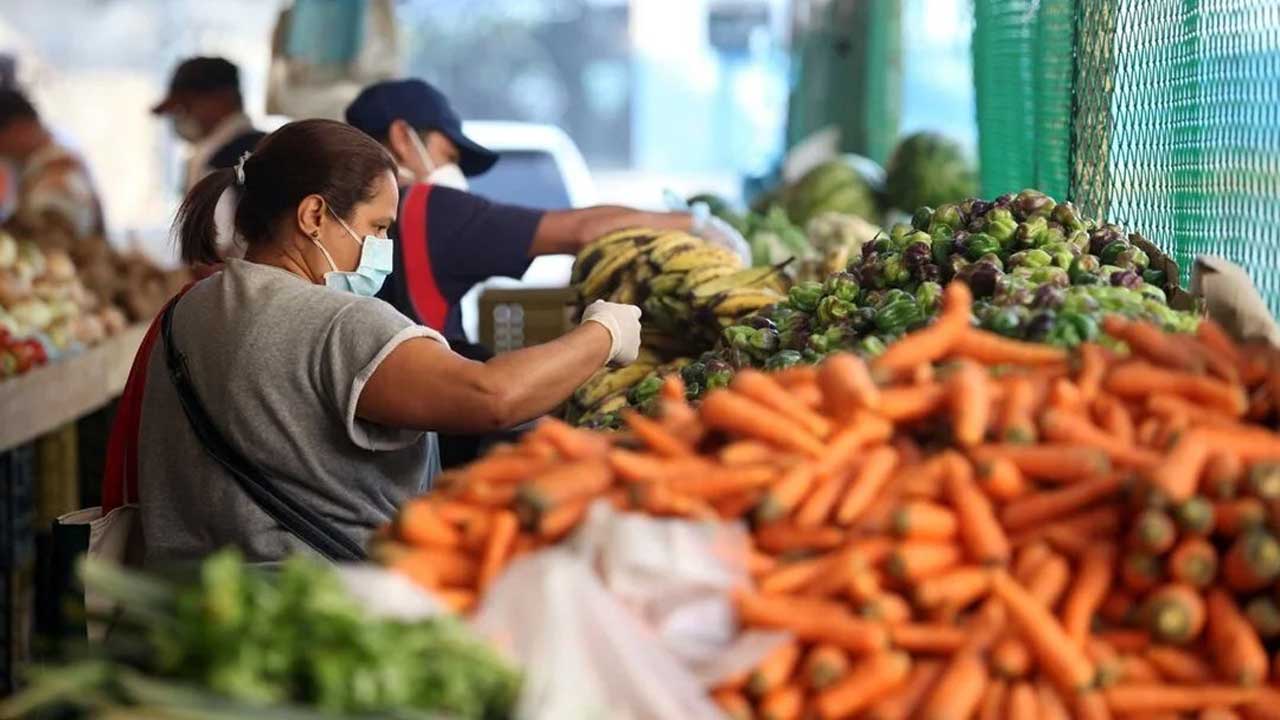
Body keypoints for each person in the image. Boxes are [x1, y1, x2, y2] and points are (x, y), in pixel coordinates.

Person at [131, 119, 641, 564]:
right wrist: (604, 333)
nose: (383, 248)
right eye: (378, 227)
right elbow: (493, 396)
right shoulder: (340, 324)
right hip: (319, 618)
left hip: (184, 613)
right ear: (313, 216)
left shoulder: (187, 310)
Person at [344, 78, 748, 350]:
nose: (454, 174)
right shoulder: (428, 210)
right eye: (449, 155)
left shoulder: (333, 209)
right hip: (419, 430)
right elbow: (582, 229)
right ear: (402, 138)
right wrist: (693, 224)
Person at [0, 88, 104, 251]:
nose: (3, 152)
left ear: (17, 129)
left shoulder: (57, 172)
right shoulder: (45, 166)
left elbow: (52, 244)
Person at [152, 57, 266, 192]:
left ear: (222, 98)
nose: (182, 117)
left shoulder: (220, 164)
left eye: (187, 106)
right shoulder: (269, 145)